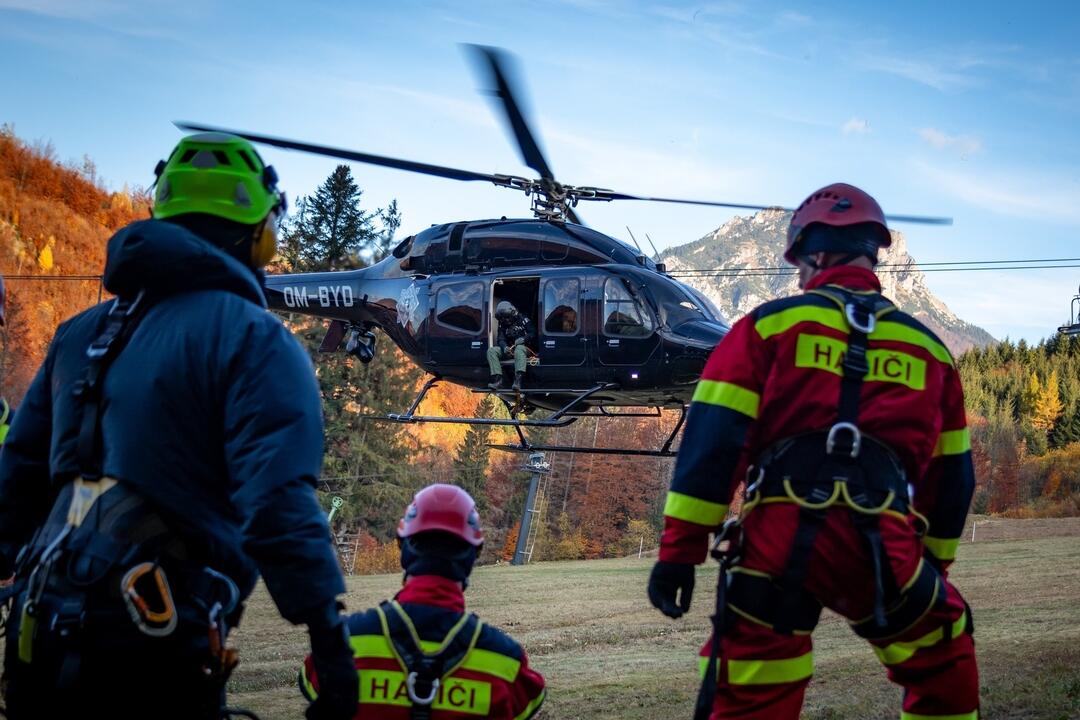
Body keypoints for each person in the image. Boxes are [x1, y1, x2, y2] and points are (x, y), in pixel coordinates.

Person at [0, 132, 358, 720]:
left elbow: (16, 479)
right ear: (260, 231)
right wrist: (328, 638)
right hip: (152, 643)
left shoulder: (80, 334)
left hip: (38, 632)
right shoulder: (256, 338)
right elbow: (276, 500)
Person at [648, 183, 979, 720]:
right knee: (945, 669)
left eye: (800, 261)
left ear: (814, 253)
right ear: (873, 252)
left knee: (752, 695)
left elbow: (711, 451)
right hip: (885, 546)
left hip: (775, 545)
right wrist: (933, 568)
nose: (799, 274)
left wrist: (678, 556)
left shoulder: (765, 329)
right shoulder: (930, 351)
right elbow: (954, 480)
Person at [299, 483, 547, 719]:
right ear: (473, 556)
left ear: (403, 548)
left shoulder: (345, 642)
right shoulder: (506, 662)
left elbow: (312, 682)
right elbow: (529, 699)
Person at [487, 300, 532, 390]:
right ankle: (498, 381)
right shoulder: (502, 324)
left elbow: (533, 333)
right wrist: (504, 347)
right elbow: (500, 339)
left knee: (519, 348)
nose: (506, 321)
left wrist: (524, 339)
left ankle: (518, 381)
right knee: (491, 351)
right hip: (510, 350)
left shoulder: (523, 319)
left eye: (507, 318)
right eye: (504, 319)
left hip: (525, 348)